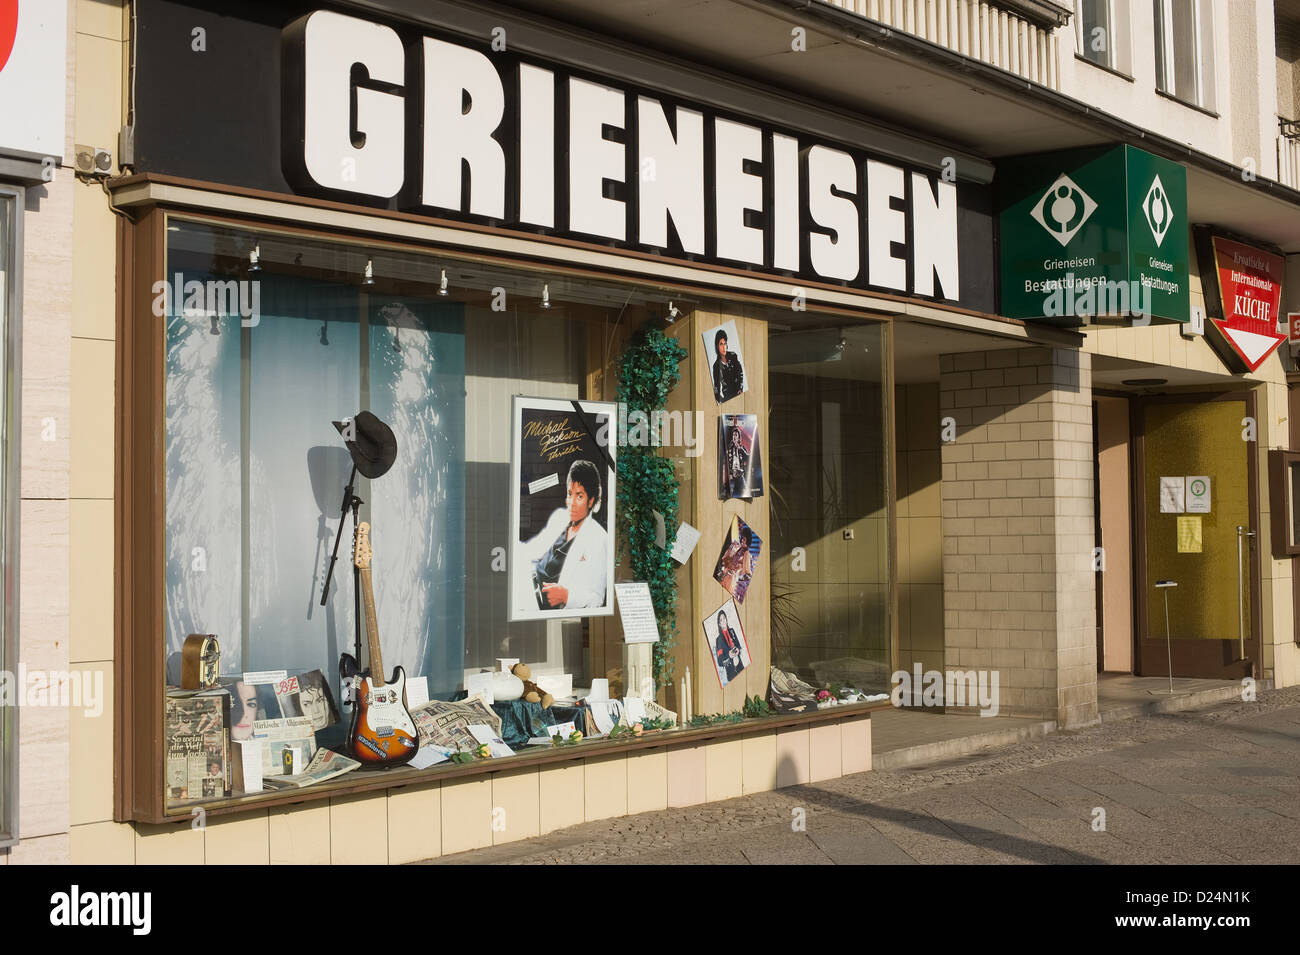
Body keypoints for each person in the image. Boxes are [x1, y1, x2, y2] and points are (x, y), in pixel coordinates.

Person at [519, 459, 609, 611]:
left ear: (591, 501)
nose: (571, 502)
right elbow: (533, 550)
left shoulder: (599, 538)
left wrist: (567, 596)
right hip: (526, 591)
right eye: (569, 494)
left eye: (579, 496)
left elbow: (597, 599)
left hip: (546, 612)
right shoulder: (560, 517)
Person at [711, 328, 744, 403]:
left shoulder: (733, 356)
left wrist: (740, 387)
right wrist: (720, 399)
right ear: (717, 346)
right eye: (721, 344)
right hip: (727, 397)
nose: (724, 347)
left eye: (725, 343)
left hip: (738, 393)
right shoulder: (716, 366)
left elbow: (740, 373)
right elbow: (716, 387)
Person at [714, 610, 745, 685]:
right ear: (719, 624)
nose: (723, 621)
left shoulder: (732, 631)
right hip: (732, 674)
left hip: (741, 667)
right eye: (721, 620)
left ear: (726, 619)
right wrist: (729, 656)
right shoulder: (718, 640)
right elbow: (720, 662)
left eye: (724, 618)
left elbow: (739, 646)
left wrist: (738, 650)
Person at [725, 424, 750, 497]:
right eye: (733, 435)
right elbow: (727, 463)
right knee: (731, 494)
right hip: (732, 477)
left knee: (745, 493)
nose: (734, 437)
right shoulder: (729, 449)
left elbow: (748, 458)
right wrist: (730, 474)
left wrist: (740, 449)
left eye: (736, 435)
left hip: (740, 475)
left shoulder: (742, 448)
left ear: (739, 438)